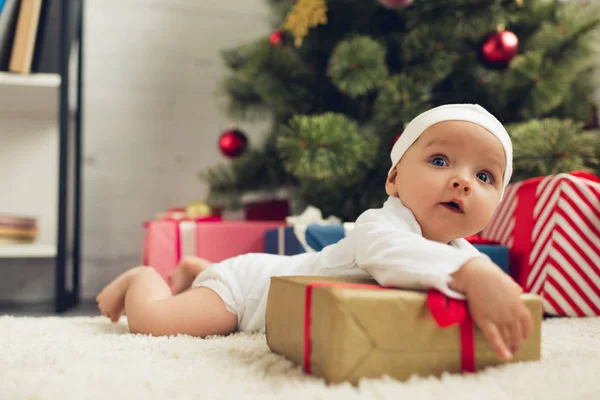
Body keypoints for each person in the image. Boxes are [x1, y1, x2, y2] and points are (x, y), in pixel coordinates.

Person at [97, 104, 532, 362]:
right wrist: (477, 276)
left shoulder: (459, 254)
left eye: (485, 176)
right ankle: (145, 278)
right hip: (249, 291)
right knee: (153, 324)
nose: (462, 181)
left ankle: (199, 270)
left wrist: (479, 275)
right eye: (440, 161)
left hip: (278, 271)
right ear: (394, 180)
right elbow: (397, 257)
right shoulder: (380, 226)